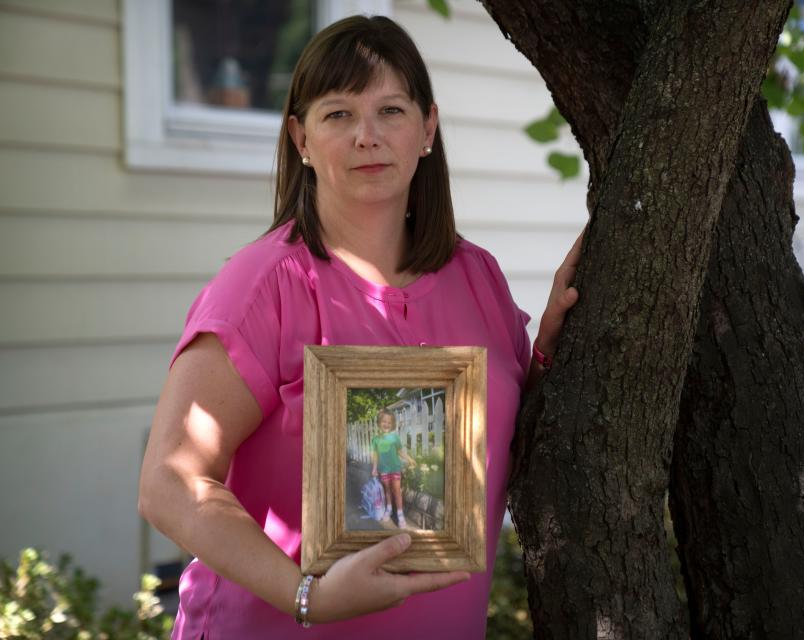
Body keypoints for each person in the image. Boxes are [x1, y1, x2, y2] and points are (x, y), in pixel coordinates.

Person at [138, 14, 580, 639]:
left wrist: (555, 347)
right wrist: (305, 596)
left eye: (391, 111)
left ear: (428, 128)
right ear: (301, 139)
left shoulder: (477, 276)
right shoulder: (265, 285)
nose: (366, 136)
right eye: (338, 114)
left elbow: (511, 444)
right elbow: (168, 482)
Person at [370, 409, 415, 528]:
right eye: (384, 421)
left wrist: (409, 459)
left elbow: (400, 452)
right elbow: (375, 455)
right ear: (379, 422)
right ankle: (389, 509)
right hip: (383, 469)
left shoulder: (395, 437)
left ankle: (400, 515)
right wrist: (374, 468)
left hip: (395, 468)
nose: (386, 424)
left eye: (389, 422)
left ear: (392, 424)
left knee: (397, 491)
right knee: (387, 491)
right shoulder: (376, 439)